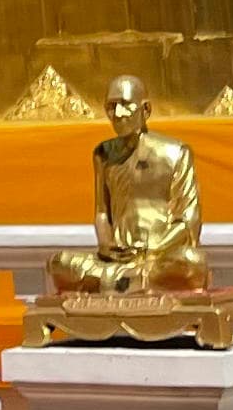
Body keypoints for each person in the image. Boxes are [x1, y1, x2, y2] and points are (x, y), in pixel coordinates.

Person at [46, 74, 207, 293]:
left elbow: (188, 221)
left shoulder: (175, 152)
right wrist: (106, 246)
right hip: (117, 260)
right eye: (111, 107)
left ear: (146, 110)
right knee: (60, 262)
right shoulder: (104, 153)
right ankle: (130, 282)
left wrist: (151, 250)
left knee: (191, 262)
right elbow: (102, 212)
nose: (117, 114)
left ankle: (119, 283)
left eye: (125, 105)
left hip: (159, 256)